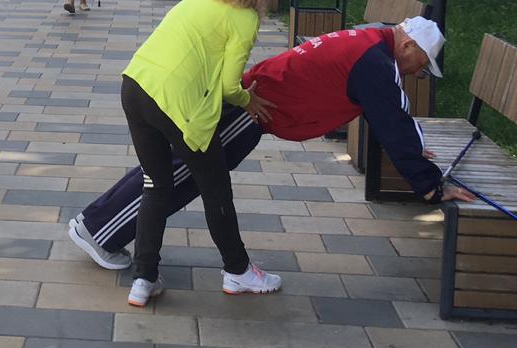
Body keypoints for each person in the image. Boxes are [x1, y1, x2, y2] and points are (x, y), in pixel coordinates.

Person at [68, 17, 476, 270]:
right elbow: (394, 118)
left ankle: (97, 224)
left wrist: (416, 148)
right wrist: (431, 185)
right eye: (419, 67)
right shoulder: (376, 62)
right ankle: (99, 230)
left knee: (172, 170)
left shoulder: (372, 38)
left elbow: (395, 115)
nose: (415, 74)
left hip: (253, 100)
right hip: (251, 109)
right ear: (407, 46)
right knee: (177, 175)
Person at [120, 0, 285, 307]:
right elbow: (229, 87)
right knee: (215, 188)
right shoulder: (243, 18)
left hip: (135, 87)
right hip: (178, 106)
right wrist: (250, 100)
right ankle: (238, 271)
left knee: (156, 185)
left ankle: (143, 279)